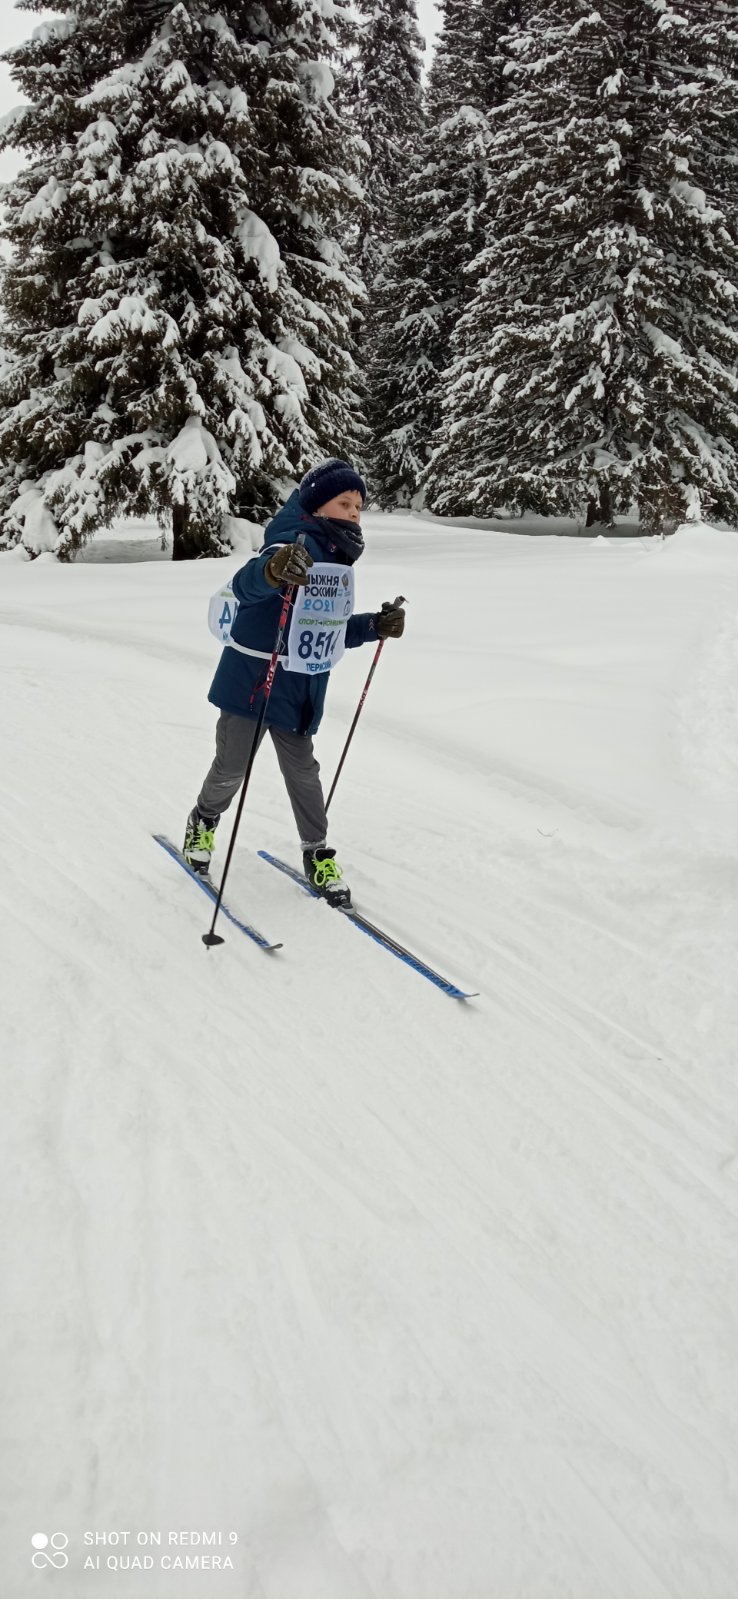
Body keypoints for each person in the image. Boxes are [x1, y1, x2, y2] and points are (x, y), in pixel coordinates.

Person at [184, 459, 405, 908]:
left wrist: (374, 626)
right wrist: (271, 572)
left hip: (299, 690)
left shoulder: (338, 561)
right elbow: (245, 587)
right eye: (344, 503)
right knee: (231, 768)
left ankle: (317, 852)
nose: (353, 513)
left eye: (359, 507)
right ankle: (203, 821)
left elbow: (327, 629)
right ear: (317, 505)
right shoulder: (289, 544)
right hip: (252, 682)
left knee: (304, 773)